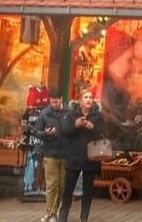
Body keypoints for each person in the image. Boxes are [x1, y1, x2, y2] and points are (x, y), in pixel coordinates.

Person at [58, 89, 104, 222]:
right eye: (86, 97)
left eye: (91, 97)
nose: (89, 100)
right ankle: (63, 217)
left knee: (88, 190)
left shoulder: (97, 115)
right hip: (74, 157)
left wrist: (92, 128)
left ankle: (84, 218)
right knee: (68, 189)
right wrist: (76, 125)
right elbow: (65, 132)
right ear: (80, 100)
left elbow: (103, 132)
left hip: (91, 158)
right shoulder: (72, 114)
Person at [34, 88, 66, 222]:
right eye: (52, 102)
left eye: (56, 102)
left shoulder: (69, 112)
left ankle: (56, 211)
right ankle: (50, 213)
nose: (54, 104)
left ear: (61, 99)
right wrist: (45, 134)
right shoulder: (44, 114)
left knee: (62, 185)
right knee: (52, 184)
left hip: (65, 153)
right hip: (50, 152)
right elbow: (36, 131)